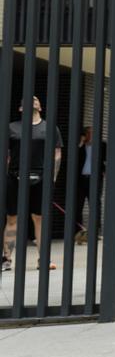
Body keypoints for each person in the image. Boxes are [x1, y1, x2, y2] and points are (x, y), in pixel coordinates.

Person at [3, 96, 63, 272]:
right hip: (15, 177)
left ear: (40, 106)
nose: (32, 101)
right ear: (21, 109)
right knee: (12, 218)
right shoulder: (12, 128)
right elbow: (6, 155)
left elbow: (57, 154)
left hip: (41, 177)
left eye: (35, 99)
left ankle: (43, 259)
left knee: (40, 219)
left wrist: (52, 179)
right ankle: (6, 259)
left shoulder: (50, 128)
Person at [72, 126, 105, 245]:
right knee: (77, 206)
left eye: (92, 133)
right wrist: (80, 143)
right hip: (81, 180)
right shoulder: (80, 146)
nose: (90, 135)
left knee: (95, 206)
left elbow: (106, 160)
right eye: (88, 133)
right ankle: (77, 232)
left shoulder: (102, 146)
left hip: (95, 180)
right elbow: (72, 159)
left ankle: (96, 232)